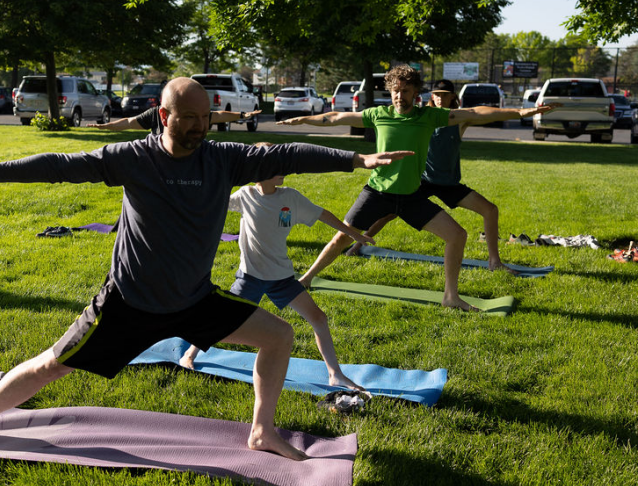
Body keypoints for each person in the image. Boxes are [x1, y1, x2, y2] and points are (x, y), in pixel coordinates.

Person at [0, 77, 411, 461]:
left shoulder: (222, 159)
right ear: (163, 116)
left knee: (278, 336)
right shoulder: (134, 158)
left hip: (193, 300)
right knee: (49, 366)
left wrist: (356, 159)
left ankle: (261, 433)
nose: (199, 127)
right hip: (128, 304)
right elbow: (64, 164)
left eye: (205, 118)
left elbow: (285, 153)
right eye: (188, 119)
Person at [279, 64, 558, 311]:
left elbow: (474, 112)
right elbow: (335, 118)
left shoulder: (429, 116)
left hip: (412, 197)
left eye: (406, 91)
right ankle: (305, 280)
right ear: (390, 92)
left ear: (416, 93)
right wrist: (303, 119)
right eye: (396, 91)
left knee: (457, 235)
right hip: (377, 192)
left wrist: (519, 110)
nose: (400, 96)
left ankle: (450, 296)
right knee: (342, 237)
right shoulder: (379, 114)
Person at [179, 141, 373, 390]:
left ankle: (335, 374)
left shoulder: (291, 198)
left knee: (319, 319)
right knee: (221, 320)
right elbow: (213, 203)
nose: (284, 168)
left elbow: (323, 214)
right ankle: (189, 355)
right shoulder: (246, 195)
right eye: (276, 164)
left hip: (282, 278)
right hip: (250, 277)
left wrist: (354, 235)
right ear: (258, 171)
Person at [345, 79, 516, 273]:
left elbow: (480, 113)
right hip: (422, 181)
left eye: (444, 94)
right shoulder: (422, 116)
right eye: (436, 94)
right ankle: (357, 246)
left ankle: (495, 261)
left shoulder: (459, 120)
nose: (440, 98)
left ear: (453, 97)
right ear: (430, 97)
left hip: (448, 183)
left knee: (490, 210)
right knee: (388, 214)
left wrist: (520, 113)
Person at [86, 105, 262, 135]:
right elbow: (129, 122)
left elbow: (218, 115)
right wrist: (105, 126)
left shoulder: (193, 111)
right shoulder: (154, 113)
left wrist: (242, 115)